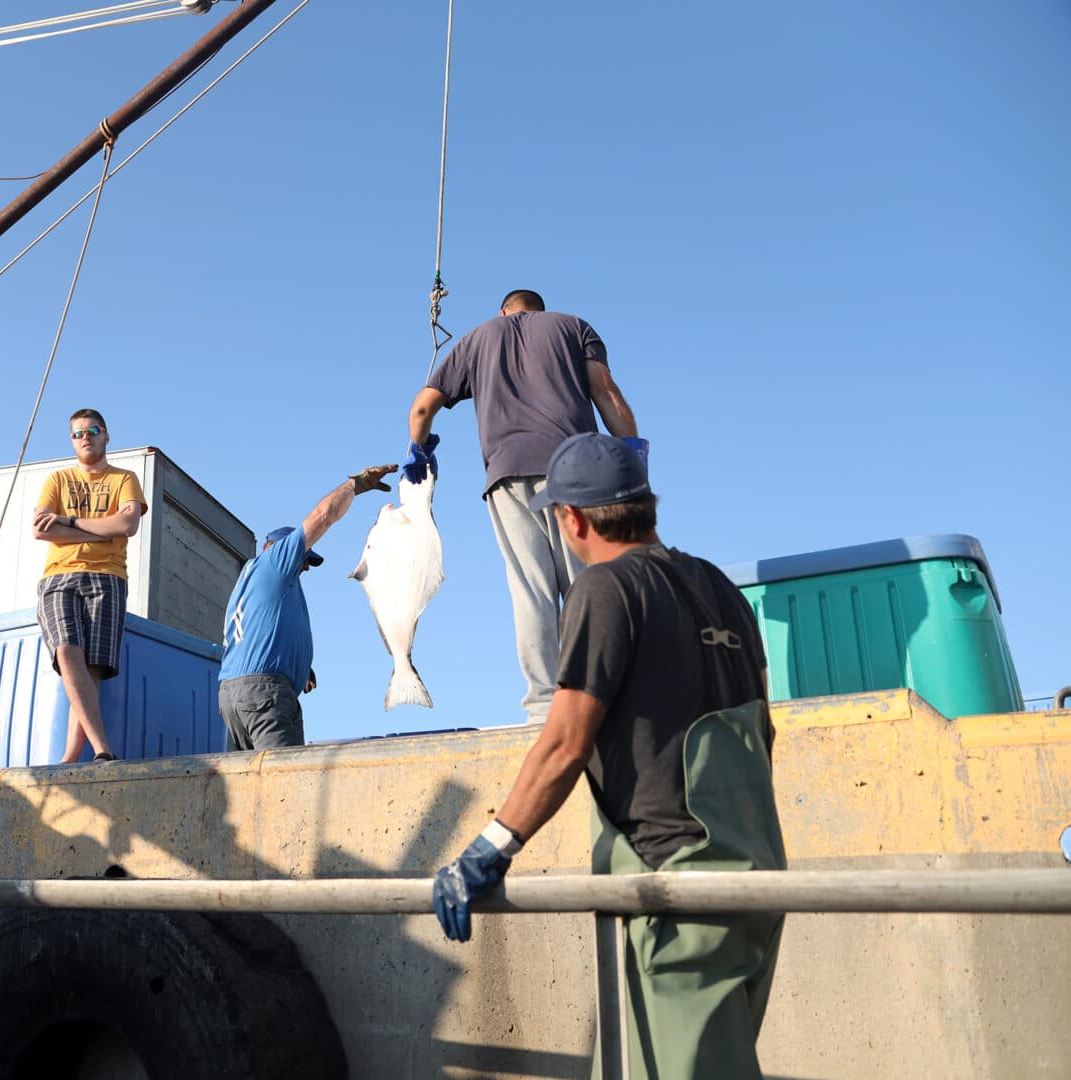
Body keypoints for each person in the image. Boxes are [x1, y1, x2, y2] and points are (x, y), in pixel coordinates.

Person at [431, 433, 786, 1079]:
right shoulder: (721, 588)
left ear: (569, 517)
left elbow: (566, 740)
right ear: (647, 505)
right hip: (756, 873)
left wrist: (491, 847)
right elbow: (765, 731)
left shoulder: (605, 588)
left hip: (674, 879)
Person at [406, 289, 642, 720]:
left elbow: (422, 409)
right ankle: (605, 695)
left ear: (503, 312)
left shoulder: (477, 339)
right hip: (578, 469)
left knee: (530, 590)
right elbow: (605, 392)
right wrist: (631, 451)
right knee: (587, 585)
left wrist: (418, 451)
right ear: (541, 311)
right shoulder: (574, 327)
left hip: (508, 474)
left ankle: (545, 707)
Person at [219, 465, 398, 751]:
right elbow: (322, 517)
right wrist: (356, 485)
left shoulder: (247, 582)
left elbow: (254, 636)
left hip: (234, 694)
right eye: (303, 558)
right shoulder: (275, 562)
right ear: (276, 548)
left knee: (248, 787)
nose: (305, 567)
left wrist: (299, 669)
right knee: (284, 788)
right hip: (264, 695)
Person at [31, 409, 147, 763]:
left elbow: (127, 524)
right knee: (66, 652)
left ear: (106, 435)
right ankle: (103, 748)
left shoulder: (124, 478)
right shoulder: (57, 479)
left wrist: (68, 521)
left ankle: (71, 755)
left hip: (108, 577)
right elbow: (39, 529)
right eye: (77, 434)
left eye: (92, 431)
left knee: (90, 668)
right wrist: (100, 527)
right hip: (58, 577)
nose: (85, 438)